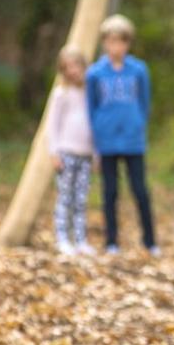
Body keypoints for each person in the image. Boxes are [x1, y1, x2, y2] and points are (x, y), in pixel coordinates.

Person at [85, 14, 158, 256]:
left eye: (121, 41)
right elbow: (91, 107)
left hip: (133, 140)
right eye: (111, 41)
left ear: (128, 43)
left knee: (140, 190)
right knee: (110, 192)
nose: (116, 46)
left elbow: (145, 103)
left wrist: (137, 124)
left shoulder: (139, 69)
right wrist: (96, 139)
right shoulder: (95, 73)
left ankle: (150, 241)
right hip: (106, 141)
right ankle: (111, 241)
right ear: (104, 42)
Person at [46, 46, 97, 257]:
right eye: (67, 67)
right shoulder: (61, 93)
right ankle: (62, 239)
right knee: (65, 197)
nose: (73, 71)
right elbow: (52, 125)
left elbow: (95, 125)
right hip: (66, 154)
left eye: (76, 65)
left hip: (85, 155)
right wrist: (54, 153)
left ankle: (80, 240)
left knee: (81, 199)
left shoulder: (91, 93)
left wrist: (96, 154)